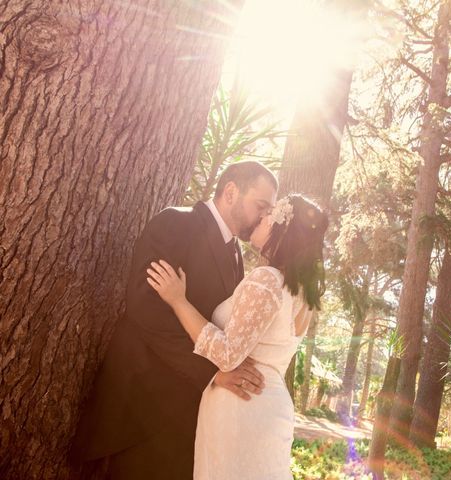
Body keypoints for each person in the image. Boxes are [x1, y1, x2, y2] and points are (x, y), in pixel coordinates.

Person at [71, 161, 278, 479]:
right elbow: (146, 312)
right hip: (140, 413)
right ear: (231, 192)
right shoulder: (175, 224)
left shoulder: (236, 255)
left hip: (183, 420)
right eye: (261, 206)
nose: (265, 217)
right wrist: (213, 373)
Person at [146, 194, 328, 480]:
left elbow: (228, 355)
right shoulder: (302, 293)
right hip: (269, 404)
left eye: (269, 214)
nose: (261, 217)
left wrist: (178, 301)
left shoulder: (267, 278)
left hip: (242, 403)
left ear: (281, 227)